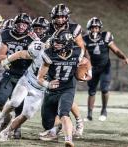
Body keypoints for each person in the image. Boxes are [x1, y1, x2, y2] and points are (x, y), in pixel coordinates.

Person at [39, 3, 90, 140]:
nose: (60, 19)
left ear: (67, 17)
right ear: (53, 17)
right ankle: (56, 128)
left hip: (69, 63)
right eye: (57, 17)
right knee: (55, 100)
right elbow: (44, 47)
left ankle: (78, 122)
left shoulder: (74, 28)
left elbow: (81, 48)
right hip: (54, 64)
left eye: (62, 17)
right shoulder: (47, 28)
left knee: (66, 96)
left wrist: (79, 64)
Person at [0, 13, 36, 138]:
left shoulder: (33, 38)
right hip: (9, 73)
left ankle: (16, 127)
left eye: (24, 24)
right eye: (19, 23)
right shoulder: (6, 34)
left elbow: (36, 58)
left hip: (25, 76)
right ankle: (6, 117)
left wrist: (13, 57)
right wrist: (17, 56)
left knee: (19, 106)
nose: (21, 26)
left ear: (28, 25)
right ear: (14, 24)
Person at [83, 17, 128, 121]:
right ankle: (89, 115)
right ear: (89, 28)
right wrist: (86, 67)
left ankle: (104, 111)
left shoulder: (105, 36)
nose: (95, 30)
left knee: (104, 89)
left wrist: (124, 57)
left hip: (105, 67)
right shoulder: (85, 39)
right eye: (93, 27)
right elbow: (85, 55)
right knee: (91, 91)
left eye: (96, 27)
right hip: (92, 68)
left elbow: (115, 50)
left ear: (100, 28)